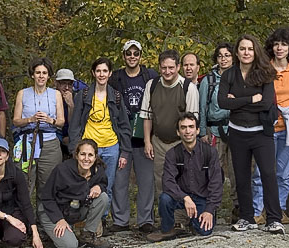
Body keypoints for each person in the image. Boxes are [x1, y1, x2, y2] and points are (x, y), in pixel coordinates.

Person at [218, 34, 285, 234]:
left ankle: (274, 218)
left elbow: (265, 103)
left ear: (255, 51)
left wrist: (237, 99)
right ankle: (247, 217)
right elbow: (223, 103)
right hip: (237, 133)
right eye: (242, 49)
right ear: (237, 53)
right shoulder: (228, 75)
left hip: (261, 133)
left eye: (250, 49)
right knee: (241, 176)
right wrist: (249, 99)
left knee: (268, 174)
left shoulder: (265, 73)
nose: (246, 52)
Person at [251, 28, 289, 224]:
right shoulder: (262, 68)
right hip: (266, 128)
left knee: (284, 174)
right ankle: (257, 211)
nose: (279, 48)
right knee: (261, 172)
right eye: (276, 44)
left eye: (284, 44)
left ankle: (279, 210)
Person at [69, 57, 132, 227]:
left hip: (111, 146)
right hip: (89, 147)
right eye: (98, 71)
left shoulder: (116, 96)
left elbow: (125, 126)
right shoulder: (83, 96)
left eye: (105, 71)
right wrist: (75, 149)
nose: (101, 74)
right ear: (93, 73)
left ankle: (101, 220)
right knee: (85, 183)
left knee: (107, 185)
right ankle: (85, 219)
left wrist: (125, 152)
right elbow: (75, 125)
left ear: (110, 73)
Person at [108, 40, 158, 233]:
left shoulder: (150, 75)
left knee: (146, 181)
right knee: (119, 180)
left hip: (145, 135)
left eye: (136, 53)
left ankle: (146, 219)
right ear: (123, 56)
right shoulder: (116, 78)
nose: (132, 57)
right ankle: (120, 220)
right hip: (122, 137)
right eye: (129, 54)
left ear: (140, 56)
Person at [147, 113, 223, 241]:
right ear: (178, 132)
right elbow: (168, 182)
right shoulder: (172, 154)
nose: (187, 131)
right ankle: (168, 229)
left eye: (191, 127)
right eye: (183, 127)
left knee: (205, 231)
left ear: (197, 130)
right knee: (165, 198)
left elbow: (216, 183)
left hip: (201, 197)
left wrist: (209, 210)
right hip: (180, 197)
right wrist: (185, 198)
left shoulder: (209, 152)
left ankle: (192, 224)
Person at [139, 49, 199, 208]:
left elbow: (193, 122)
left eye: (171, 67)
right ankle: (167, 218)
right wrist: (147, 141)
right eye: (164, 68)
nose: (167, 71)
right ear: (159, 67)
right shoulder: (151, 86)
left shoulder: (188, 88)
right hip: (158, 141)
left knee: (184, 179)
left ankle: (182, 218)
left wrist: (190, 146)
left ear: (178, 67)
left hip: (181, 142)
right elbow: (147, 116)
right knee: (161, 180)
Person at [38, 138, 111, 248]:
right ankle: (48, 231)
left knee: (103, 197)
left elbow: (103, 183)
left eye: (90, 155)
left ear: (95, 157)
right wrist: (59, 219)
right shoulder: (62, 170)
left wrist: (99, 187)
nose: (86, 159)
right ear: (76, 155)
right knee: (70, 246)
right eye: (83, 154)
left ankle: (87, 235)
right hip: (52, 212)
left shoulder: (98, 170)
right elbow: (47, 197)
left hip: (74, 211)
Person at [12, 57, 64, 195]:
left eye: (44, 73)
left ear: (49, 75)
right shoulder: (23, 93)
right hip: (27, 143)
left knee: (47, 185)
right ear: (32, 75)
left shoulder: (56, 94)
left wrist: (49, 120)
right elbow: (16, 121)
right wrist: (30, 119)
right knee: (25, 182)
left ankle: (45, 217)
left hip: (50, 144)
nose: (41, 76)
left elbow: (61, 122)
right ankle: (24, 215)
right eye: (38, 72)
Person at [199, 43, 238, 219]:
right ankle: (211, 208)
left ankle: (239, 207)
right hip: (215, 130)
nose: (224, 59)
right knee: (214, 172)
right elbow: (202, 108)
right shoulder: (209, 80)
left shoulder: (240, 77)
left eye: (227, 55)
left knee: (238, 170)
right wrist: (202, 132)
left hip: (237, 129)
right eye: (220, 56)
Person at [54, 68, 77, 158]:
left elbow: (75, 124)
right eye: (63, 83)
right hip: (55, 134)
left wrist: (71, 106)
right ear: (56, 83)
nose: (67, 87)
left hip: (71, 135)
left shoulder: (77, 97)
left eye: (70, 84)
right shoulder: (51, 97)